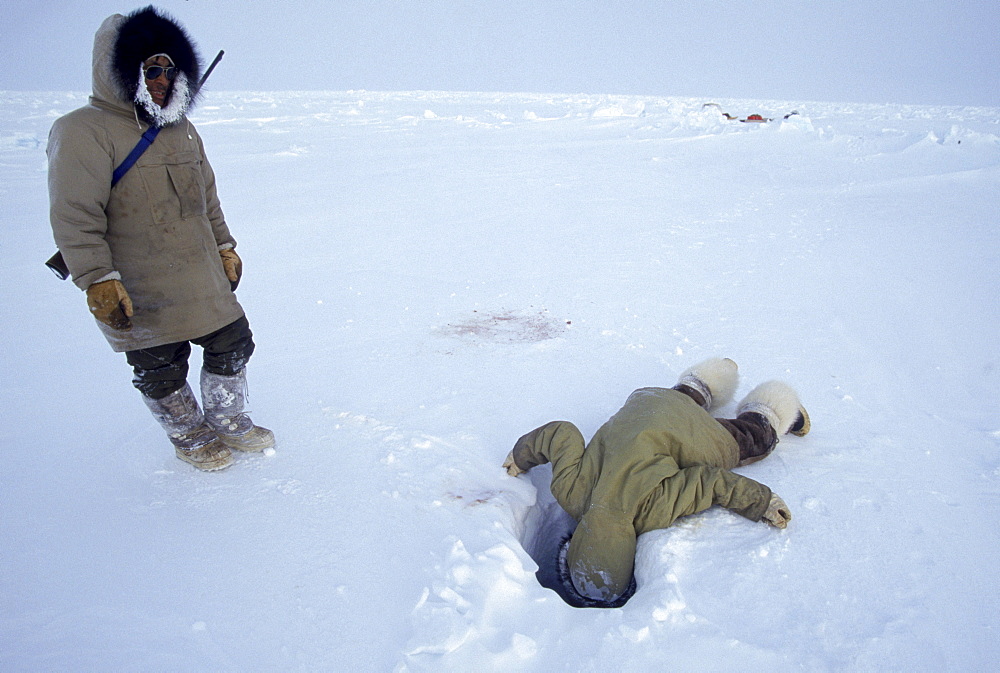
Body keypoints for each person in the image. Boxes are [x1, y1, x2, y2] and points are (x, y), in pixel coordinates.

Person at [47, 6, 273, 471]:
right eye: (151, 68)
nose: (162, 79)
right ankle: (188, 434)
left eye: (171, 69)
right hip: (137, 281)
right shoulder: (81, 131)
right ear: (122, 70)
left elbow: (207, 198)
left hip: (198, 271)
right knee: (159, 365)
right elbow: (74, 214)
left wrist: (225, 247)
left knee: (234, 341)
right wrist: (97, 280)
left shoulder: (181, 128)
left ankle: (229, 420)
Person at [502, 358, 809, 607]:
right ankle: (703, 380)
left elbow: (709, 482)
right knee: (679, 401)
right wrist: (521, 454)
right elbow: (561, 433)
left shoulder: (652, 510)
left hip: (685, 431)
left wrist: (762, 501)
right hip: (647, 405)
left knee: (749, 439)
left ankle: (770, 409)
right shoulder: (572, 491)